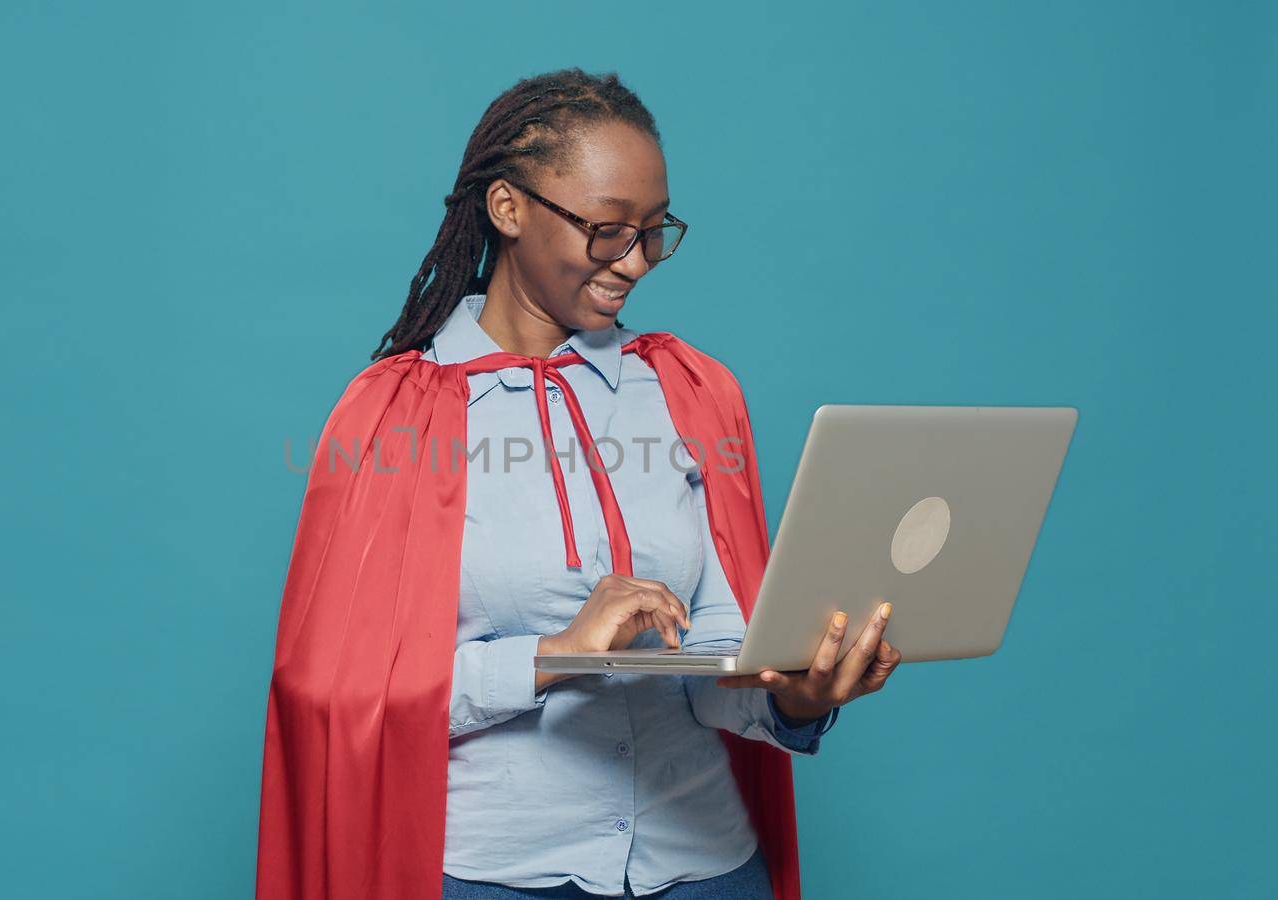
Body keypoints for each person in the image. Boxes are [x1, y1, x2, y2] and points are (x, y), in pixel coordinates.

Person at [258, 68, 901, 900]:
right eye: (606, 230)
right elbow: (342, 697)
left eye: (653, 231)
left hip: (705, 864)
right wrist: (551, 657)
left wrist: (796, 700)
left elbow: (715, 653)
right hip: (493, 875)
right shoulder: (396, 413)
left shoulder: (689, 390)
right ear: (508, 208)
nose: (635, 262)